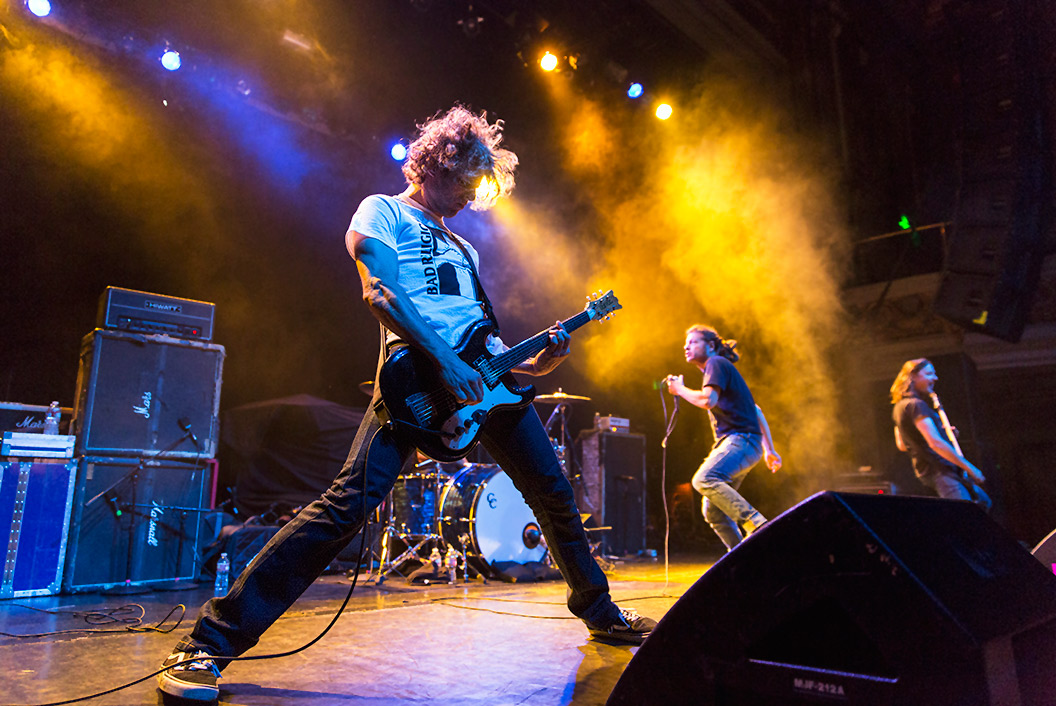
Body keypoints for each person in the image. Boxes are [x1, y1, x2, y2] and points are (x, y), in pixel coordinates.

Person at [157, 105, 654, 702]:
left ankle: (601, 614)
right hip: (414, 380)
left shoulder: (465, 248)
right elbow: (381, 294)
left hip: (485, 387)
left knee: (554, 495)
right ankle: (207, 644)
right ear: (438, 164)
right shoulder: (382, 211)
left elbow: (487, 347)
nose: (471, 197)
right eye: (466, 181)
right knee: (344, 508)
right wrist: (446, 361)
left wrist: (536, 363)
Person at [664, 325, 781, 552]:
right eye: (685, 343)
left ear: (710, 345)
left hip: (741, 441)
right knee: (713, 511)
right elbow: (756, 411)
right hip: (747, 445)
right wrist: (769, 450)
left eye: (693, 342)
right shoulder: (718, 369)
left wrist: (680, 389)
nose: (686, 347)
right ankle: (743, 557)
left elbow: (707, 400)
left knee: (704, 479)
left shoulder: (716, 363)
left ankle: (756, 524)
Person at [890, 358, 991, 510]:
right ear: (913, 376)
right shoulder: (917, 405)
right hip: (939, 469)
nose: (935, 378)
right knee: (966, 512)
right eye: (929, 374)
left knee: (983, 503)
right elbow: (935, 443)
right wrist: (970, 468)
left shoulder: (899, 407)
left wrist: (944, 434)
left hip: (928, 470)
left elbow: (902, 445)